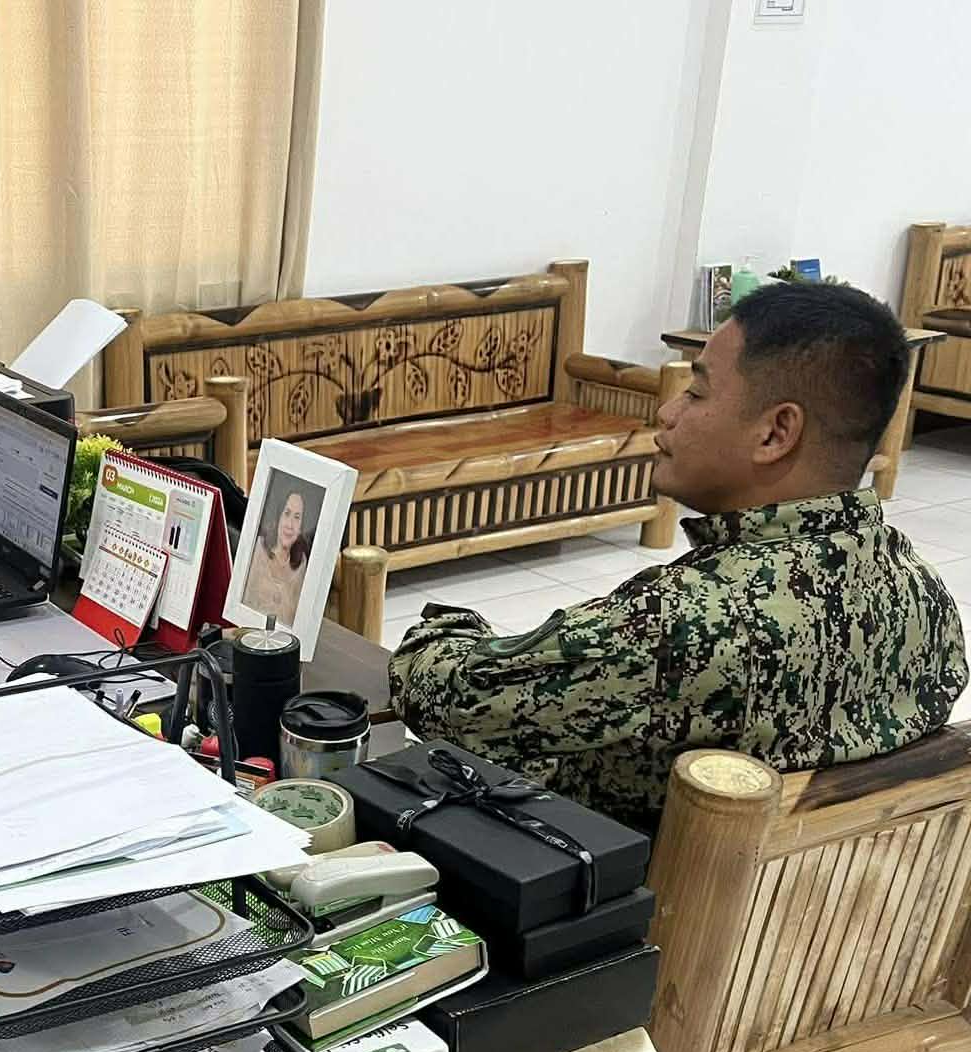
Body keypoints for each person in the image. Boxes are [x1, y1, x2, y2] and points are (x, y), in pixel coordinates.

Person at [388, 282, 968, 829]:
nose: (667, 413)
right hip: (836, 898)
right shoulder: (926, 599)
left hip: (627, 891)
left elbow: (445, 694)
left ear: (775, 433)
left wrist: (450, 627)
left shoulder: (685, 622)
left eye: (696, 392)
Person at [241, 486, 311, 626]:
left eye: (297, 517)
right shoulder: (258, 549)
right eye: (287, 513)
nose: (290, 524)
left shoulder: (301, 564)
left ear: (301, 528)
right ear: (279, 516)